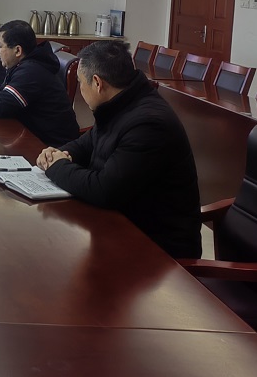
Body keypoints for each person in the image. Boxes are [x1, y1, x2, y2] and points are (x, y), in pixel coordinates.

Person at [37, 41, 202, 259]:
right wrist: (57, 153)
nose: (80, 88)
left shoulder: (148, 124)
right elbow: (87, 143)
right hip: (122, 227)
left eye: (80, 82)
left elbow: (104, 190)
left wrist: (57, 167)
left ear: (97, 83)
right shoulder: (120, 103)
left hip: (157, 251)